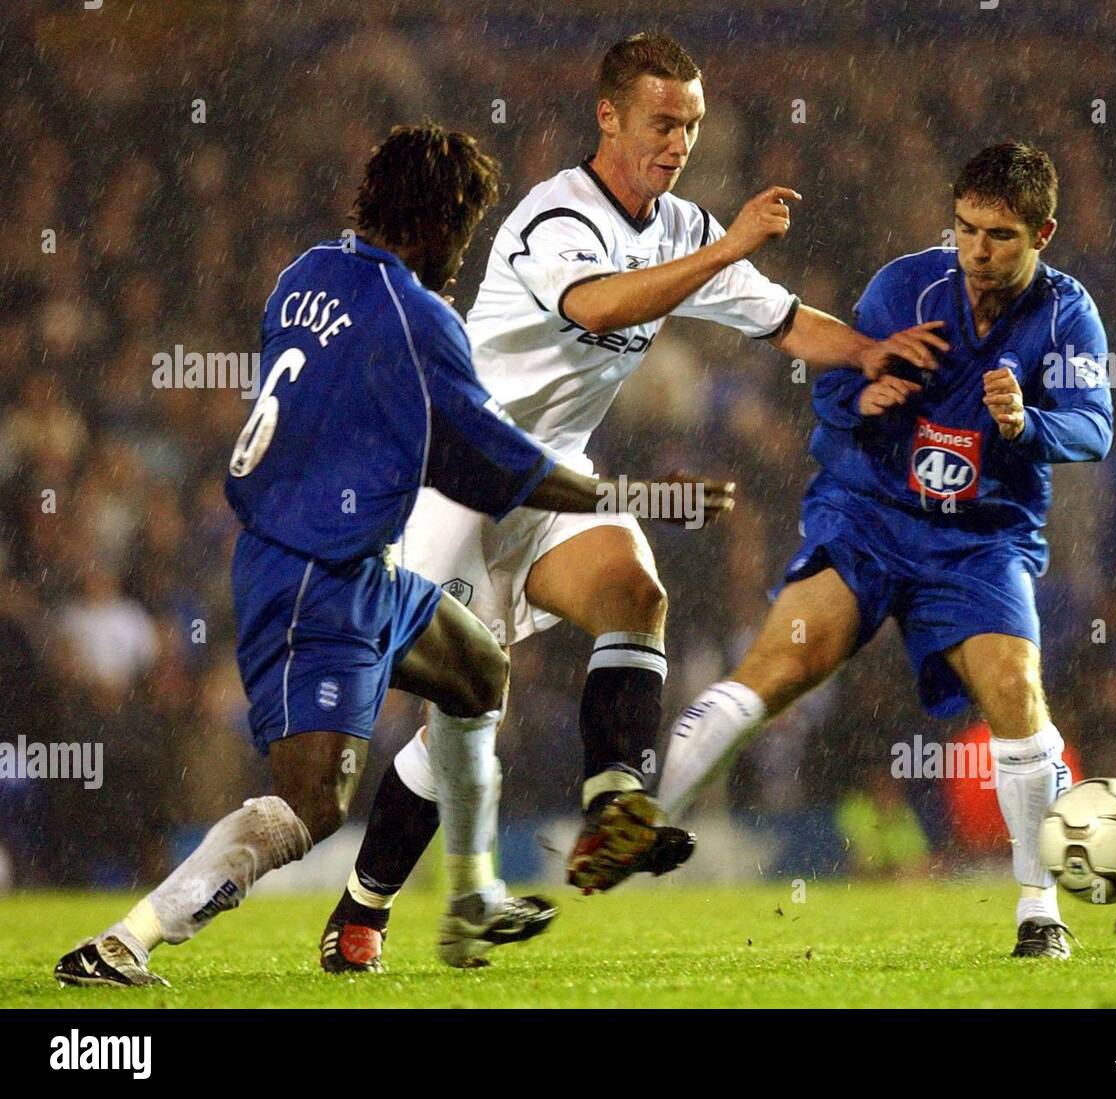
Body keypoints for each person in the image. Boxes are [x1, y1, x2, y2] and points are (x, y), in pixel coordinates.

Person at [320, 32, 947, 970]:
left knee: (635, 593)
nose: (679, 142)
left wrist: (866, 352)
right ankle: (362, 906)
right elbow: (598, 308)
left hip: (546, 478)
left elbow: (776, 317)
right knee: (460, 723)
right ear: (608, 115)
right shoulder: (552, 216)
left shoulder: (685, 229)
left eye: (691, 125)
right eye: (662, 121)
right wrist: (729, 245)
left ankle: (614, 803)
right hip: (448, 482)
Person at [54, 121, 731, 987]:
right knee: (314, 804)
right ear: (440, 221)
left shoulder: (306, 275)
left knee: (480, 667)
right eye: (464, 227)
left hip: (352, 562)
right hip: (312, 577)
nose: (463, 251)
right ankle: (127, 939)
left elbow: (384, 421)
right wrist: (631, 496)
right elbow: (498, 466)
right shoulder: (420, 318)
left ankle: (474, 892)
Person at [656, 142, 1113, 960]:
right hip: (870, 513)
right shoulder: (905, 286)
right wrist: (863, 394)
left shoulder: (1067, 316)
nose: (978, 249)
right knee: (782, 664)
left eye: (1002, 235)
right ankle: (647, 821)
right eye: (967, 228)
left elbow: (1095, 426)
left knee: (1014, 688)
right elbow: (831, 389)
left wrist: (1024, 425)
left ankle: (1039, 910)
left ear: (1045, 230)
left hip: (978, 539)